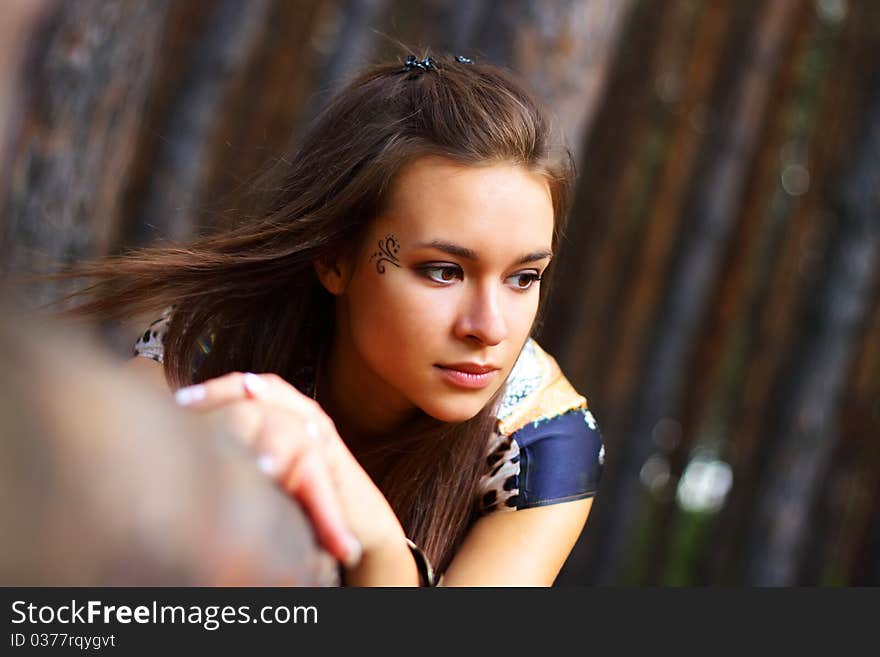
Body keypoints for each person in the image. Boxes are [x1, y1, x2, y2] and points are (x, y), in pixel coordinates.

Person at [59, 51, 605, 586]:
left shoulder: (544, 441)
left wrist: (376, 544)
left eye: (523, 278)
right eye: (443, 271)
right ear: (334, 258)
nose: (489, 328)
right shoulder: (214, 343)